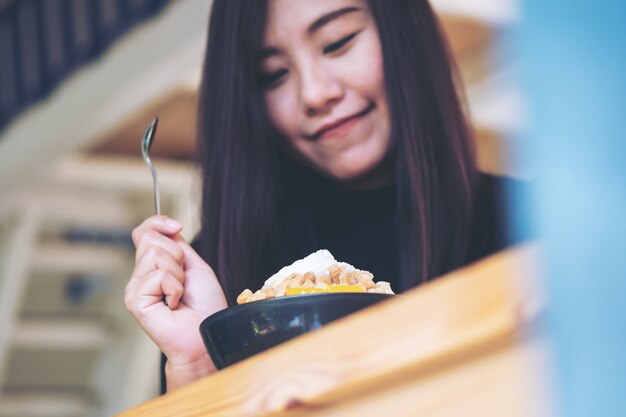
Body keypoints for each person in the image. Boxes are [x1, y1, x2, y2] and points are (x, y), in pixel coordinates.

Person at [125, 0, 528, 394]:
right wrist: (199, 364)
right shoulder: (211, 270)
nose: (315, 94)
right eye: (273, 74)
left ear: (404, 31)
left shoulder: (534, 224)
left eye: (338, 42)